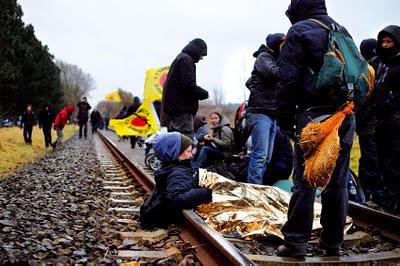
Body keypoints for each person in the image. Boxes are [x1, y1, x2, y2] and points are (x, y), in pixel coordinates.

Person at [276, 0, 356, 257]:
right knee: (338, 181)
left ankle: (296, 242)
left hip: (314, 118)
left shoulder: (299, 31)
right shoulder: (342, 30)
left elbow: (288, 80)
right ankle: (332, 243)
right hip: (345, 115)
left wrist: (285, 120)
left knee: (305, 179)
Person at [140, 132, 212, 228]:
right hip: (161, 220)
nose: (191, 156)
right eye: (188, 151)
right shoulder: (178, 172)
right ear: (175, 153)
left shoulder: (169, 167)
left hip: (153, 214)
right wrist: (207, 192)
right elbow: (177, 198)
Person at [245, 33, 285, 185]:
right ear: (276, 44)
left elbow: (250, 81)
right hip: (260, 112)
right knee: (259, 156)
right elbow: (275, 74)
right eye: (283, 45)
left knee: (266, 157)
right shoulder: (263, 57)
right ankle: (254, 193)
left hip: (271, 113)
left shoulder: (273, 59)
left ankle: (257, 188)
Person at [370, 25, 400, 214]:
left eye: (389, 41)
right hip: (380, 118)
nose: (386, 45)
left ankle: (395, 199)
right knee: (381, 160)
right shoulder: (377, 62)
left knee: (395, 160)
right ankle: (387, 198)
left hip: (396, 118)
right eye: (383, 41)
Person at [161, 38, 209, 136]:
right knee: (185, 143)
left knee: (177, 141)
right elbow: (188, 86)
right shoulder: (186, 60)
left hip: (175, 111)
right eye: (202, 54)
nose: (201, 58)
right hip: (182, 112)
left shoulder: (180, 59)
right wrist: (203, 93)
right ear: (197, 51)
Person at [356, 38, 383, 205]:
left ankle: (371, 196)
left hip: (369, 124)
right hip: (378, 122)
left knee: (369, 160)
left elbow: (366, 99)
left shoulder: (368, 69)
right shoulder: (382, 65)